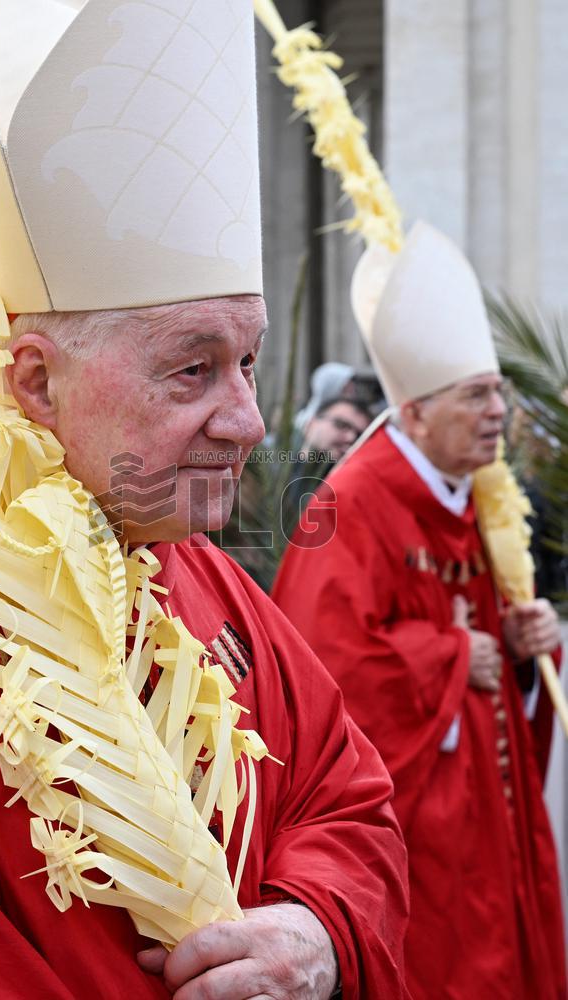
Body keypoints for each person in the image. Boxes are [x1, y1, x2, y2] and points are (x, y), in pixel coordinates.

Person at [0, 2, 410, 998]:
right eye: (191, 369)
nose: (247, 419)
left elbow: (349, 797)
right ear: (34, 382)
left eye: (249, 359)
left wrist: (319, 927)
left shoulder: (189, 564)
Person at [273, 222, 567, 1000]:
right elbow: (318, 675)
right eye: (476, 396)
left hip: (491, 812)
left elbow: (490, 649)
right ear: (412, 414)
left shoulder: (479, 499)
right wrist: (443, 655)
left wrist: (523, 649)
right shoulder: (350, 504)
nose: (498, 412)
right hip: (419, 829)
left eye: (497, 392)